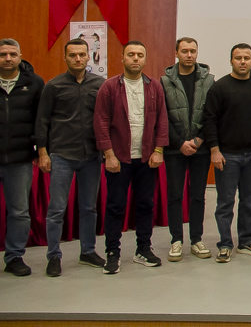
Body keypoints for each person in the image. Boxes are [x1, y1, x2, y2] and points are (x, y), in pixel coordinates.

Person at [94, 41, 169, 273]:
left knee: (145, 205)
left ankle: (143, 249)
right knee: (115, 206)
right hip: (118, 158)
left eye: (139, 55)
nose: (135, 58)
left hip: (146, 158)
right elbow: (101, 122)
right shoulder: (109, 87)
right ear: (123, 58)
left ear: (145, 59)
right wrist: (109, 154)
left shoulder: (154, 87)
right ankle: (112, 252)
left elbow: (162, 120)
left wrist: (158, 151)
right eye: (131, 54)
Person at [36, 38, 105, 277]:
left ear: (89, 57)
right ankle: (54, 256)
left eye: (82, 54)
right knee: (56, 209)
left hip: (92, 156)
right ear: (65, 57)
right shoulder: (53, 86)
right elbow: (42, 121)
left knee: (88, 208)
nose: (78, 59)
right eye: (73, 55)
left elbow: (105, 119)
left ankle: (88, 251)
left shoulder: (99, 84)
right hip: (61, 155)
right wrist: (42, 152)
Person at [203, 43, 251, 263]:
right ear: (231, 60)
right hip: (227, 155)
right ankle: (224, 244)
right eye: (238, 58)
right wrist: (214, 150)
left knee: (250, 201)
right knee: (225, 203)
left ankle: (247, 241)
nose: (242, 61)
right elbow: (209, 120)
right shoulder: (220, 88)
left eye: (246, 58)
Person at [160, 37, 215, 262]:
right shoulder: (165, 82)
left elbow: (212, 114)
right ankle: (176, 240)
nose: (189, 55)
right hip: (175, 149)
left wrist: (199, 140)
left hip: (200, 149)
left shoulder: (209, 80)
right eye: (184, 51)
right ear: (176, 53)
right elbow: (162, 117)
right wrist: (179, 143)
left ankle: (196, 240)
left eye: (193, 51)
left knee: (197, 196)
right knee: (175, 195)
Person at [0, 38, 44, 277]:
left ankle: (14, 257)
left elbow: (40, 120)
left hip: (20, 160)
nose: (7, 58)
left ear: (20, 56)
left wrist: (39, 151)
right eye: (2, 54)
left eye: (12, 54)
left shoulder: (34, 83)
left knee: (19, 211)